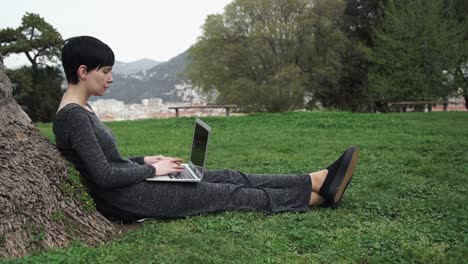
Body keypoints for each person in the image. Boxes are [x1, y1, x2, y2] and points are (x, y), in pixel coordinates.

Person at [53, 36, 359, 223]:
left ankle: (315, 179)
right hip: (131, 198)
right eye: (105, 71)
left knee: (229, 176)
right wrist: (153, 170)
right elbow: (105, 176)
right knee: (229, 194)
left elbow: (107, 162)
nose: (110, 79)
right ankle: (319, 197)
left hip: (134, 185)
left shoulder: (83, 110)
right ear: (83, 72)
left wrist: (144, 160)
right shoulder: (73, 117)